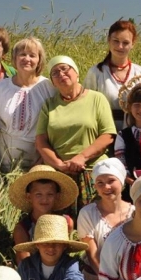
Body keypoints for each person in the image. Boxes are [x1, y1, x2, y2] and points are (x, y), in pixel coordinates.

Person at [35, 55, 117, 203]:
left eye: (65, 68)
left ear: (77, 73)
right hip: (59, 175)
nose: (61, 74)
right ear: (52, 82)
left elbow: (108, 135)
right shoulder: (49, 105)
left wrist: (82, 157)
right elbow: (41, 141)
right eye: (55, 72)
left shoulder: (97, 99)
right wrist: (59, 164)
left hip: (93, 170)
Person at [0, 37, 54, 173]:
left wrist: (43, 159)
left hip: (38, 159)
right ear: (14, 58)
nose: (27, 59)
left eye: (32, 55)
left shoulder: (48, 87)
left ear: (39, 60)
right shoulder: (1, 87)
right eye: (22, 54)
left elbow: (55, 126)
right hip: (3, 160)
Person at [83, 20, 141, 125]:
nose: (120, 46)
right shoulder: (96, 72)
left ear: (133, 44)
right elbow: (86, 105)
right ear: (109, 40)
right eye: (116, 41)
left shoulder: (140, 73)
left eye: (125, 42)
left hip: (134, 130)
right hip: (104, 131)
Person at [9, 164, 78, 261]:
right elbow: (23, 263)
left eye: (50, 194)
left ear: (57, 196)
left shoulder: (66, 222)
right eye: (38, 194)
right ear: (29, 197)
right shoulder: (22, 229)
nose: (44, 199)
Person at [76, 159, 132, 277]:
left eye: (111, 181)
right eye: (100, 183)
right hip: (97, 276)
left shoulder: (135, 213)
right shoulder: (87, 213)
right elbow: (92, 255)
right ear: (95, 186)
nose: (106, 187)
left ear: (122, 182)